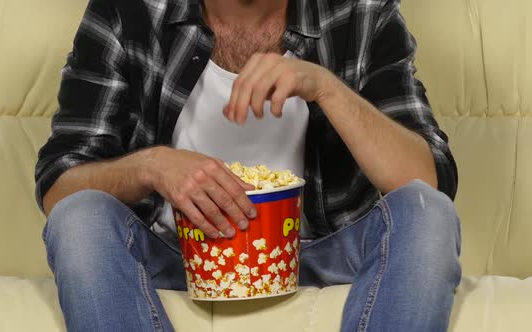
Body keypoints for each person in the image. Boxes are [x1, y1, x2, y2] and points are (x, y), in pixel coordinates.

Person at [35, 0, 462, 330]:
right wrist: (152, 166)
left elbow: (427, 179)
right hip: (172, 254)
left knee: (430, 216)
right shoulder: (127, 12)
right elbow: (60, 184)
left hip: (318, 252)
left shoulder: (362, 12)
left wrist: (325, 87)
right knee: (78, 218)